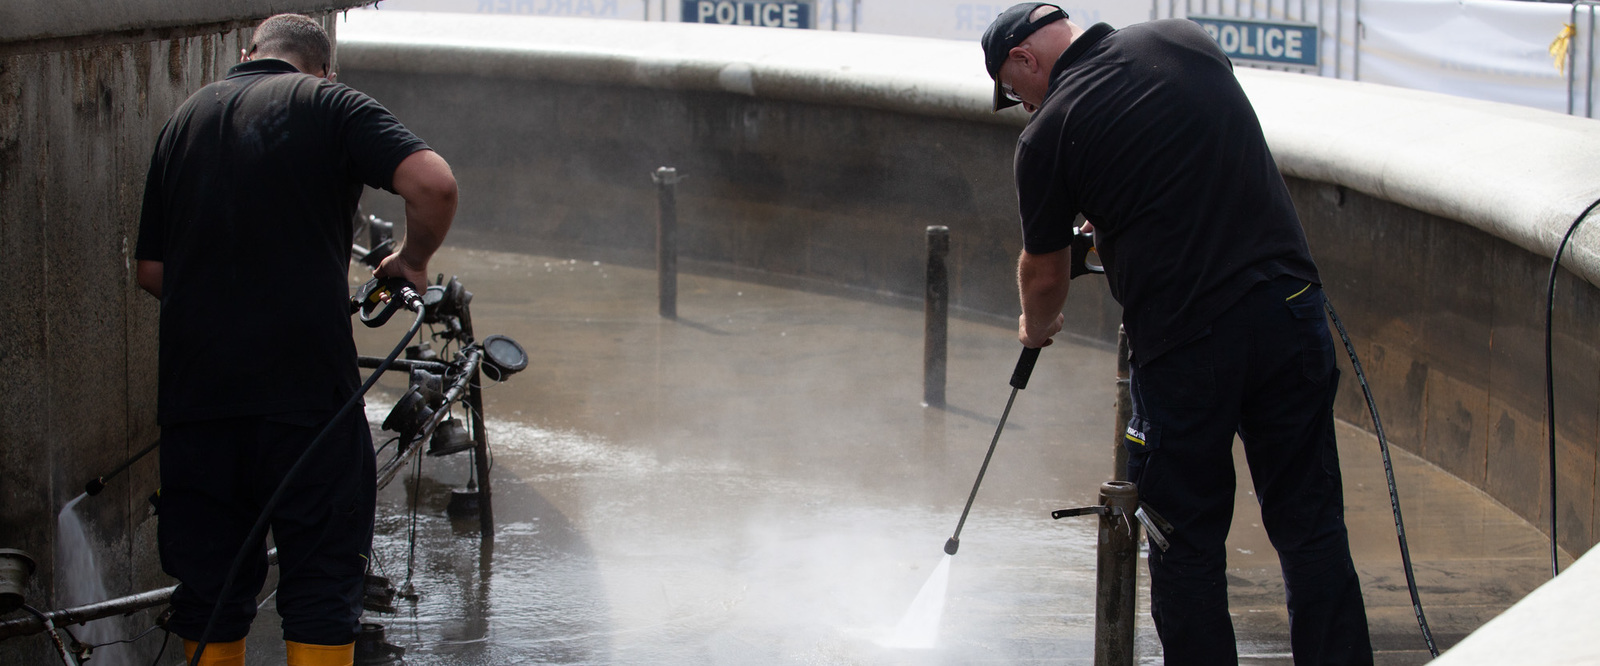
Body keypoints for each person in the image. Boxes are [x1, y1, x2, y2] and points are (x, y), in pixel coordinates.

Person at [981, 4, 1373, 664]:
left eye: (1016, 92)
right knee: (1311, 528)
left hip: (1189, 346)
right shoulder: (1184, 40)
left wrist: (1036, 324)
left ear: (1025, 59)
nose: (1023, 107)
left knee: (1181, 540)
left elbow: (1043, 272)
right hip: (1290, 312)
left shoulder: (1048, 135)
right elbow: (1179, 155)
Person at [135, 14, 456, 666]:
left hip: (198, 404)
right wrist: (413, 261)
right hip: (308, 403)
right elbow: (432, 184)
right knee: (318, 588)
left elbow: (152, 272)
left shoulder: (184, 121)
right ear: (323, 66)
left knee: (210, 591)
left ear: (247, 53)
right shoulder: (330, 103)